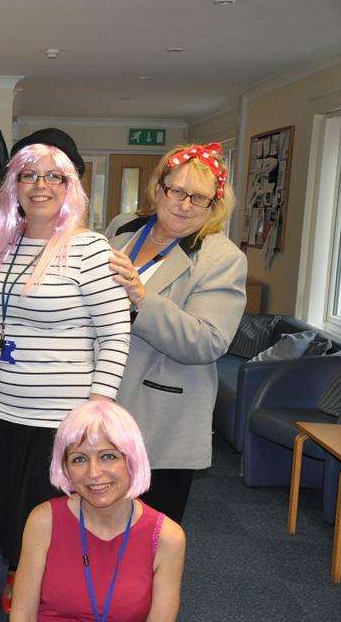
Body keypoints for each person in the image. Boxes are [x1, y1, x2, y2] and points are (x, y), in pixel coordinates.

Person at [0, 128, 132, 613]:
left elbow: (115, 333)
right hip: (5, 407)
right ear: (14, 186)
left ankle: (47, 594)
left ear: (70, 187)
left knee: (54, 517)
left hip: (63, 415)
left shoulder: (89, 250)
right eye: (28, 176)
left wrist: (96, 411)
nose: (40, 186)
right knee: (15, 514)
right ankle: (24, 580)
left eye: (53, 177)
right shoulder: (1, 245)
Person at [105, 143, 247, 524]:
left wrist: (141, 297)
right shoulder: (123, 228)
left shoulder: (222, 258)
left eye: (198, 198)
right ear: (159, 188)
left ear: (213, 206)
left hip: (163, 415)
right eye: (176, 191)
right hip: (105, 398)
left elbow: (207, 342)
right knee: (98, 523)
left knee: (150, 535)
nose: (184, 205)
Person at [11, 400, 185, 622]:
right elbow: (22, 614)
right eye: (79, 459)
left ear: (131, 459)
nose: (93, 473)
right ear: (65, 468)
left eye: (108, 456)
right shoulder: (44, 521)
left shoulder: (167, 538)